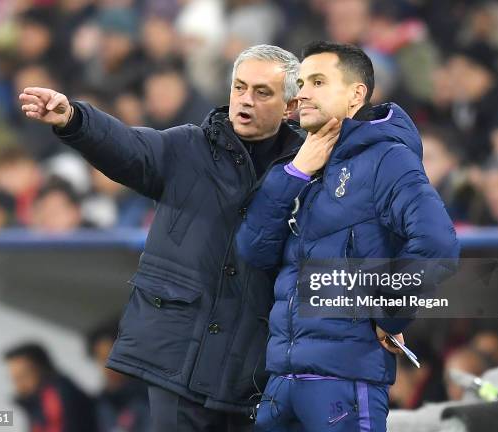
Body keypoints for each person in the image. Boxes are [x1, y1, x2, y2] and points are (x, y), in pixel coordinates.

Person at [18, 44, 306, 431]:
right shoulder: (187, 146)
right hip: (176, 361)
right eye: (239, 87)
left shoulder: (310, 169)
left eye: (262, 92)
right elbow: (126, 146)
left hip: (254, 372)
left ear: (290, 107)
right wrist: (73, 118)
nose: (245, 100)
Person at [236, 41, 460, 432]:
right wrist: (294, 175)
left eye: (319, 82)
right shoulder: (297, 162)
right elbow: (252, 250)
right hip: (279, 380)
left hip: (343, 381)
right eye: (301, 82)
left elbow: (437, 246)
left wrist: (389, 314)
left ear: (356, 94)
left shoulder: (388, 158)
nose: (302, 92)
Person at [3, 342, 97, 432]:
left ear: (42, 369)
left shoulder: (55, 397)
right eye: (15, 379)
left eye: (24, 376)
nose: (20, 385)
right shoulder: (36, 404)